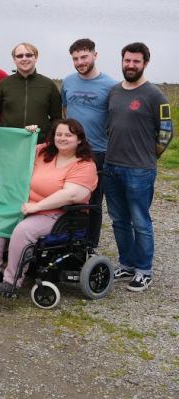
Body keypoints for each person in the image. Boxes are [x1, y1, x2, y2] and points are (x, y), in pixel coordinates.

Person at [0, 119, 98, 294]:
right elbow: (16, 151)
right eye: (58, 134)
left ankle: (11, 281)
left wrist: (38, 206)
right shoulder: (43, 151)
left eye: (68, 135)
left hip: (57, 214)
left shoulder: (84, 165)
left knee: (23, 230)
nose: (62, 138)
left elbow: (72, 194)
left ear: (79, 139)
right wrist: (25, 135)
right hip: (28, 206)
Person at [104, 42, 173, 292]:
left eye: (136, 61)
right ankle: (127, 264)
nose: (130, 65)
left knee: (140, 221)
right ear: (122, 61)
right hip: (111, 166)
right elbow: (109, 125)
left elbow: (166, 133)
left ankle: (144, 270)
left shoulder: (155, 96)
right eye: (127, 60)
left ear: (145, 63)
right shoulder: (113, 91)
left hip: (139, 171)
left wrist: (148, 157)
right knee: (119, 220)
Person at [61, 38, 116, 248]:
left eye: (84, 57)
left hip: (98, 151)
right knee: (68, 197)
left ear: (95, 55)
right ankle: (67, 239)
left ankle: (89, 245)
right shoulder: (67, 82)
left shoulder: (110, 85)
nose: (80, 62)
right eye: (75, 58)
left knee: (92, 200)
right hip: (71, 150)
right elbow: (65, 112)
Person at [0, 42, 61, 143]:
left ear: (36, 57)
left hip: (39, 144)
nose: (24, 58)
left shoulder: (48, 85)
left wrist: (47, 136)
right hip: (8, 142)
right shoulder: (4, 84)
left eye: (28, 55)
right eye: (20, 56)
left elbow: (57, 118)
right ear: (14, 60)